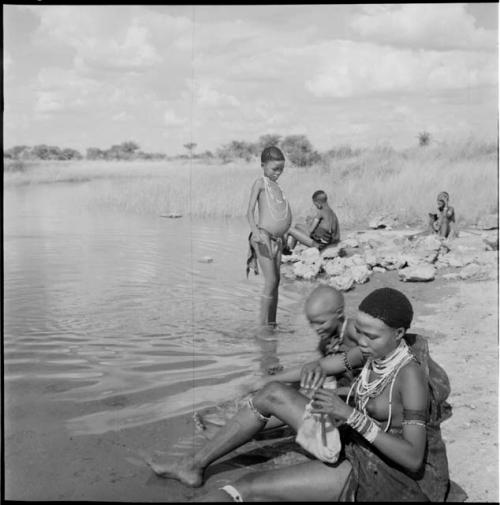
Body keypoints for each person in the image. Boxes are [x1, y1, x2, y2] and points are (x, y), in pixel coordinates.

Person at [149, 287, 452, 502]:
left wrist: (349, 415)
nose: (361, 340)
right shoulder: (371, 350)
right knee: (272, 393)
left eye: (371, 335)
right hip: (354, 442)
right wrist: (273, 378)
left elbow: (413, 459)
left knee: (248, 487)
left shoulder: (410, 375)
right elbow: (325, 364)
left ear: (399, 334)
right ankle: (192, 465)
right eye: (359, 331)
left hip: (386, 472)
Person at [246, 146, 292, 329]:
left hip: (278, 240)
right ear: (262, 165)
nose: (278, 173)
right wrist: (256, 234)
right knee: (270, 281)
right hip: (263, 236)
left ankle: (272, 323)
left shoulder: (277, 187)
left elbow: (280, 213)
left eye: (281, 169)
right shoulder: (260, 183)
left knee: (277, 282)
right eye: (274, 169)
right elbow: (249, 212)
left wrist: (285, 234)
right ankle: (261, 328)